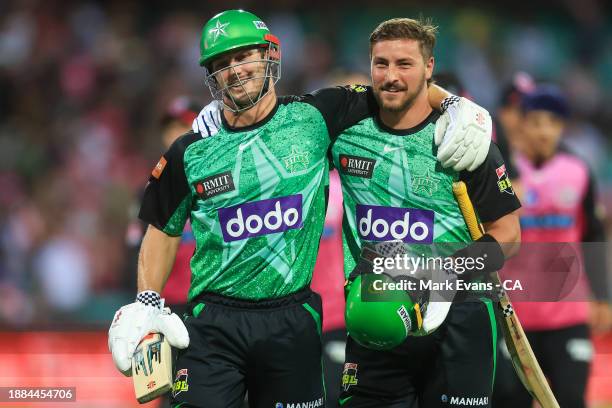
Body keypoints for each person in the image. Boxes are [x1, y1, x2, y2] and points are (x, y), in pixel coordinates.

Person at [109, 10, 495, 408]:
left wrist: (452, 103)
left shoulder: (317, 116)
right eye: (222, 65)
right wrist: (148, 300)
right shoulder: (190, 150)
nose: (235, 71)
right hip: (212, 324)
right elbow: (162, 227)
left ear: (270, 56)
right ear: (211, 77)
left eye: (243, 58)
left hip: (292, 321)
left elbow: (393, 87)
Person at [333, 18, 522, 407]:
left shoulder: (463, 139)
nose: (391, 76)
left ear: (429, 68)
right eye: (381, 64)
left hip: (461, 313)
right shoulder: (345, 125)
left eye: (405, 64)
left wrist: (442, 275)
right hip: (375, 308)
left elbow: (508, 235)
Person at [492, 85, 612, 408]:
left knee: (571, 399)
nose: (544, 132)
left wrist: (602, 297)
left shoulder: (578, 172)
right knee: (510, 400)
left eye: (552, 123)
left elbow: (594, 233)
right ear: (523, 124)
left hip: (568, 313)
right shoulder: (503, 173)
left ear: (562, 127)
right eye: (536, 122)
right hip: (515, 316)